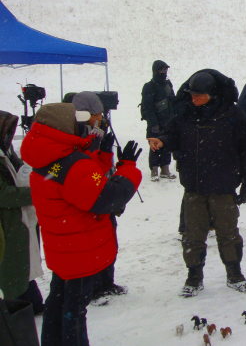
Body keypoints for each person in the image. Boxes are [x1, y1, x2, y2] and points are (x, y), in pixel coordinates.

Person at [20, 103, 142, 346]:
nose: (85, 127)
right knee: (74, 311)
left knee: (58, 304)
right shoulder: (71, 163)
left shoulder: (48, 156)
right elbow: (106, 197)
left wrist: (101, 155)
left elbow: (80, 184)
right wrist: (127, 167)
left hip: (63, 247)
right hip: (80, 249)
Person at [148, 69, 246, 297]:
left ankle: (234, 273)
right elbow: (173, 133)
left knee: (228, 233)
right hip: (194, 187)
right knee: (192, 235)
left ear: (213, 95)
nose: (193, 99)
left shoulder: (232, 115)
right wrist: (162, 140)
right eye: (192, 95)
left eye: (198, 95)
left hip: (223, 186)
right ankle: (194, 277)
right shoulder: (186, 113)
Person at [71, 92, 129, 303]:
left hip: (103, 186)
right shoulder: (75, 133)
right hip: (89, 194)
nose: (100, 118)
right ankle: (94, 286)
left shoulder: (98, 130)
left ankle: (107, 281)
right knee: (92, 243)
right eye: (96, 114)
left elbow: (104, 161)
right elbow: (85, 163)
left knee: (109, 237)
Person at [0, 111, 43, 315]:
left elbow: (20, 170)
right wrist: (34, 192)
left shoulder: (6, 152)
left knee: (23, 261)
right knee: (12, 267)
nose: (9, 136)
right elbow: (3, 193)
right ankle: (15, 310)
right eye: (6, 131)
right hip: (6, 222)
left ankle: (31, 304)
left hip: (18, 219)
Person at [141, 60, 177, 181]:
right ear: (156, 71)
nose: (164, 72)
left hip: (169, 121)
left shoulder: (167, 84)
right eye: (162, 70)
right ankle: (154, 170)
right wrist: (153, 124)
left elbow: (173, 100)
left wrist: (176, 116)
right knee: (154, 146)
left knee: (167, 144)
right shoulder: (149, 86)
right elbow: (147, 107)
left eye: (166, 70)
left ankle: (165, 169)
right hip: (155, 122)